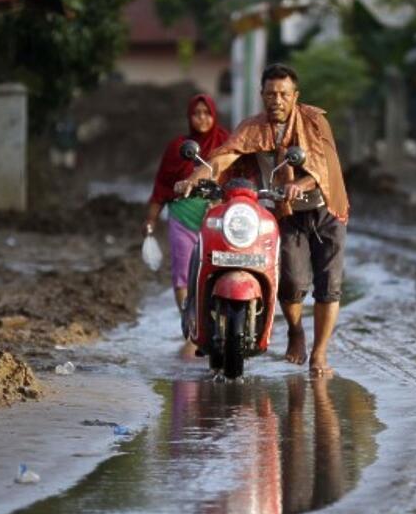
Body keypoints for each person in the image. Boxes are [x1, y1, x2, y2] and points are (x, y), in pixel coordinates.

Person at [174, 64, 350, 377]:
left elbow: (323, 167)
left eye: (283, 94)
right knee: (292, 282)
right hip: (284, 209)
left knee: (329, 285)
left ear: (295, 96)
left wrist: (301, 184)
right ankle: (296, 330)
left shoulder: (314, 123)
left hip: (324, 207)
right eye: (270, 94)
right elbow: (225, 155)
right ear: (262, 96)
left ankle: (320, 354)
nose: (277, 100)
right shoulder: (253, 127)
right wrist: (198, 174)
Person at [145, 94, 229, 350]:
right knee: (183, 275)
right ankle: (191, 328)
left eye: (207, 113)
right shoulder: (178, 146)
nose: (202, 118)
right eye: (197, 113)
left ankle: (222, 324)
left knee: (219, 270)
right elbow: (162, 185)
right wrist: (150, 219)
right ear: (189, 117)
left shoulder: (226, 143)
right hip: (182, 217)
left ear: (214, 115)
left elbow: (240, 178)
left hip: (216, 219)